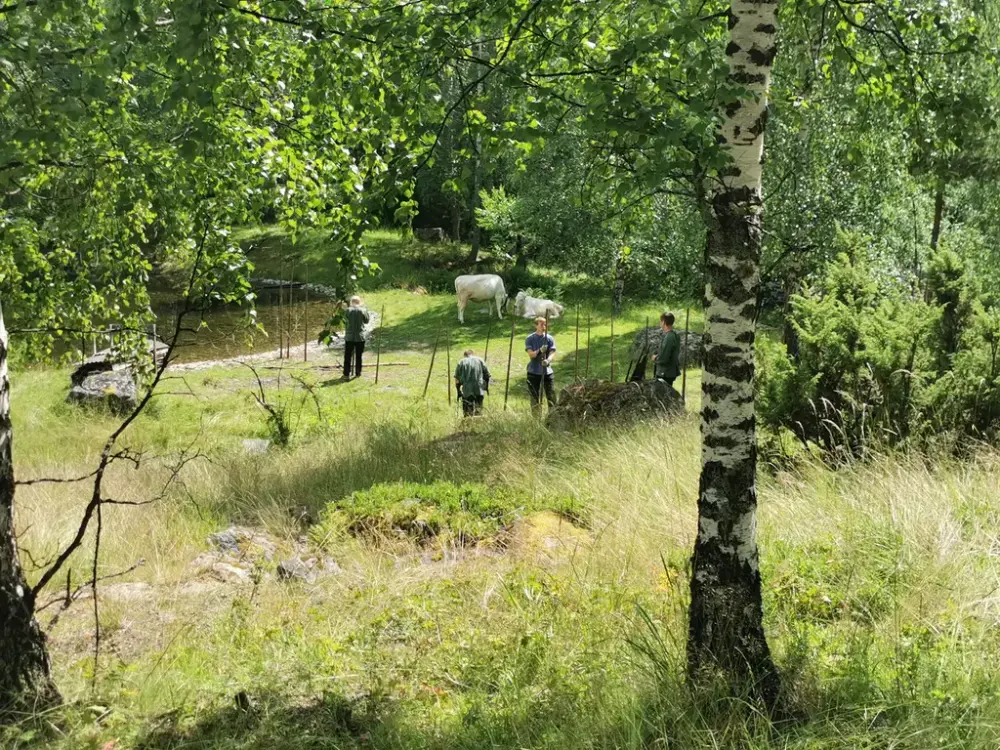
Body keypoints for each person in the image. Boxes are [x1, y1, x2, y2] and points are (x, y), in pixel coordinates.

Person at [525, 316, 557, 413]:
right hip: (534, 372)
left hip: (547, 372)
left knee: (551, 396)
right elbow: (531, 355)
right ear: (536, 325)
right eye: (542, 324)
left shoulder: (549, 338)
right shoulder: (530, 339)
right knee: (534, 396)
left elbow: (552, 352)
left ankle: (552, 416)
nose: (544, 326)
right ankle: (536, 418)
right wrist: (540, 350)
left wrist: (548, 360)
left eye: (545, 324)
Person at [454, 349, 491, 417]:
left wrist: (458, 391)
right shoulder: (480, 360)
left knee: (468, 412)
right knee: (478, 410)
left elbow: (457, 379)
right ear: (472, 354)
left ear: (465, 355)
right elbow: (487, 375)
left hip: (467, 390)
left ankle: (468, 425)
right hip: (479, 389)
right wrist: (486, 387)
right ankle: (478, 425)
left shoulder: (461, 362)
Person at [343, 295, 370, 380]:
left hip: (349, 337)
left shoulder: (347, 311)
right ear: (359, 302)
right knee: (359, 356)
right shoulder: (363, 310)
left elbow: (344, 321)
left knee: (347, 356)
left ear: (351, 302)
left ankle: (346, 374)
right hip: (360, 336)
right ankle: (358, 373)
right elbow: (366, 321)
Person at [653, 311, 681, 387]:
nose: (660, 322)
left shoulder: (669, 337)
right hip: (666, 372)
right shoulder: (672, 335)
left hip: (665, 373)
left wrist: (656, 358)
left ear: (664, 322)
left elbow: (664, 357)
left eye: (661, 320)